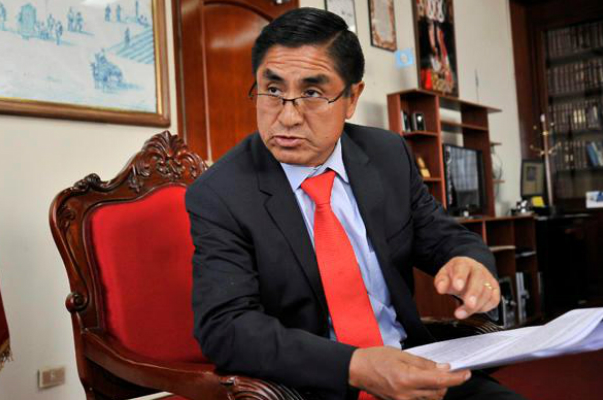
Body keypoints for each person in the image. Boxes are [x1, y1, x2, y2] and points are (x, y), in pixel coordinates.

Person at [185, 7, 525, 400]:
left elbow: (444, 238)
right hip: (310, 386)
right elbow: (226, 327)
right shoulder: (221, 193)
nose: (288, 117)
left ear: (352, 98)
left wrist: (469, 263)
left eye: (312, 93)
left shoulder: (387, 154)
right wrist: (354, 366)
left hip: (412, 366)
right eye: (273, 90)